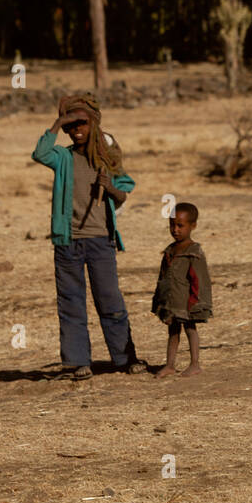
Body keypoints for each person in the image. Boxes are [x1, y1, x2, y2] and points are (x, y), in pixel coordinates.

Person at [31, 93, 147, 379]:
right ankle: (78, 362)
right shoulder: (63, 158)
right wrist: (57, 123)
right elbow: (40, 153)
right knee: (71, 303)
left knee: (110, 301)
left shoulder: (106, 160)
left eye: (81, 122)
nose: (76, 130)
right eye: (71, 126)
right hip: (67, 242)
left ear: (94, 124)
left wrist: (108, 187)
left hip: (100, 240)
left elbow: (122, 195)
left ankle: (124, 358)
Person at [151, 202, 212, 377]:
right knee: (173, 332)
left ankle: (195, 364)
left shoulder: (193, 252)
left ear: (193, 226)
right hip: (172, 301)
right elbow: (163, 278)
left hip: (187, 303)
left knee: (190, 329)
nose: (175, 229)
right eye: (172, 225)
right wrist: (159, 301)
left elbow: (200, 280)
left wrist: (196, 303)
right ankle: (170, 365)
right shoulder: (170, 250)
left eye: (180, 225)